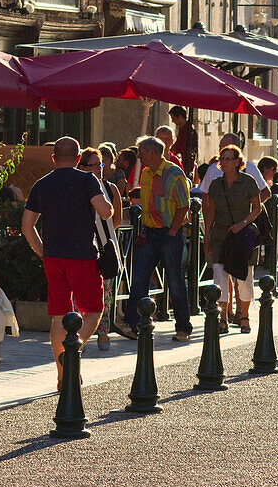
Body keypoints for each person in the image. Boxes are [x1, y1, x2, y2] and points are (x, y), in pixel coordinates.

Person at [21, 136, 113, 385]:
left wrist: (42, 251)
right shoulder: (87, 179)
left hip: (53, 256)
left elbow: (27, 226)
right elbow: (105, 212)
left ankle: (63, 376)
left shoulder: (41, 184)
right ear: (78, 157)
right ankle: (74, 348)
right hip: (82, 255)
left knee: (60, 315)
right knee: (93, 310)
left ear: (53, 158)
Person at [123, 136, 193, 342]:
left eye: (141, 152)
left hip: (168, 233)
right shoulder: (145, 173)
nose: (139, 156)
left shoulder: (174, 173)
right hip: (149, 232)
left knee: (175, 279)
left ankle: (183, 327)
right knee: (139, 277)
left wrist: (172, 231)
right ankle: (134, 324)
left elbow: (183, 205)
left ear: (153, 153)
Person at [203, 142, 261, 334]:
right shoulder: (215, 184)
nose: (224, 162)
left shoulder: (248, 181)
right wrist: (207, 237)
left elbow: (257, 209)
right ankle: (222, 318)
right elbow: (211, 211)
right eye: (222, 159)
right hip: (220, 235)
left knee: (244, 277)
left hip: (242, 235)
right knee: (219, 276)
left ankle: (244, 317)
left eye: (229, 159)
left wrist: (242, 223)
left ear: (237, 162)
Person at [78, 147, 123, 352]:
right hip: (81, 248)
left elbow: (117, 219)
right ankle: (79, 335)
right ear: (82, 167)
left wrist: (103, 237)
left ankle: (103, 332)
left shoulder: (109, 187)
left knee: (105, 292)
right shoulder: (77, 187)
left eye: (101, 164)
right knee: (80, 292)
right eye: (94, 165)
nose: (99, 168)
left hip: (105, 246)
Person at [168, 105, 198, 177]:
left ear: (180, 117)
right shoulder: (183, 129)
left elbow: (182, 147)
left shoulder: (188, 130)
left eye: (174, 118)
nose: (172, 121)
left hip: (186, 164)